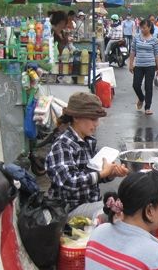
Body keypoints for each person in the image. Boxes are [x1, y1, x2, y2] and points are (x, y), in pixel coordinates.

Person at [45, 92, 128, 220]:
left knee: (126, 205)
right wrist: (101, 174)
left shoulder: (88, 141)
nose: (97, 124)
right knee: (119, 213)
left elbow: (92, 175)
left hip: (89, 204)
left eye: (97, 119)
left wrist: (111, 173)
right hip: (68, 209)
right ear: (76, 117)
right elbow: (69, 181)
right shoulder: (62, 144)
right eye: (92, 119)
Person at [129, 18, 158, 115]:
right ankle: (141, 98)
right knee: (135, 85)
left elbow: (157, 54)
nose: (142, 29)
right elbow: (133, 51)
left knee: (148, 87)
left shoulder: (154, 40)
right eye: (141, 28)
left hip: (150, 65)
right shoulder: (137, 38)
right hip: (139, 65)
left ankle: (148, 107)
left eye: (144, 28)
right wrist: (131, 64)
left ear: (149, 27)